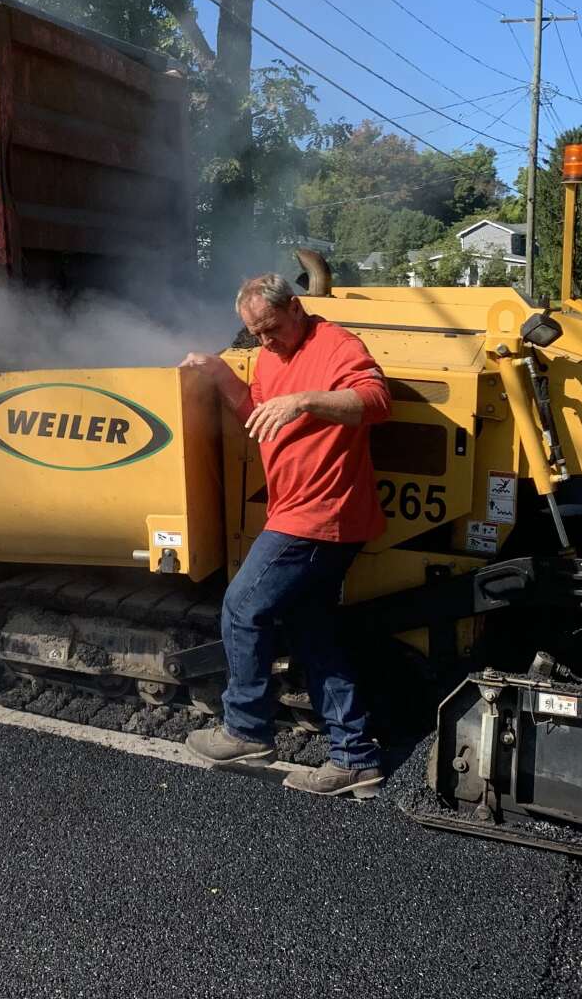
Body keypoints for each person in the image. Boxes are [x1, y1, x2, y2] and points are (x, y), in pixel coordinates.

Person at [178, 272, 392, 798]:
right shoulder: (270, 355)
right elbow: (260, 418)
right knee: (312, 634)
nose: (266, 341)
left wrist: (305, 401)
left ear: (295, 308)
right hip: (300, 512)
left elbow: (378, 401)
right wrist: (221, 372)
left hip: (322, 515)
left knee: (242, 606)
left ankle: (246, 727)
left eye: (271, 328)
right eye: (255, 333)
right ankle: (356, 761)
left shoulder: (336, 344)